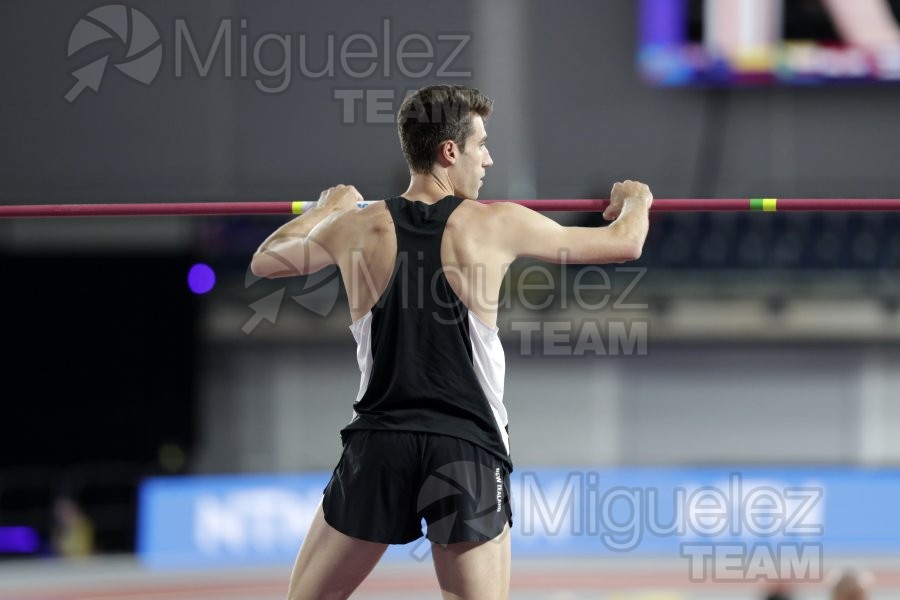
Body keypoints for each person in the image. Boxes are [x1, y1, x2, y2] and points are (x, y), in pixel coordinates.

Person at [251, 84, 653, 599]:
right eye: (480, 145)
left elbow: (268, 258)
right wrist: (637, 199)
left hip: (381, 443)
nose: (487, 159)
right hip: (464, 448)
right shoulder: (496, 223)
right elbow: (625, 242)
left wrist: (325, 210)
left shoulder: (354, 227)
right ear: (449, 151)